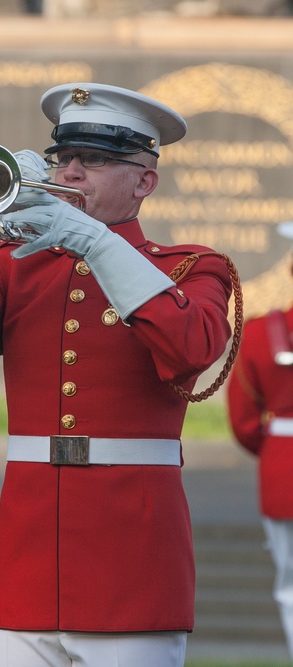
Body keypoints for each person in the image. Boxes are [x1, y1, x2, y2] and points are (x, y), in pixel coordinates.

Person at [0, 82, 234, 666]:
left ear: (145, 180)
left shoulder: (194, 270)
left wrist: (94, 240)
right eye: (60, 159)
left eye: (93, 160)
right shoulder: (18, 269)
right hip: (29, 558)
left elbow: (192, 345)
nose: (69, 173)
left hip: (131, 562)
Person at [225, 221, 293, 661]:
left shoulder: (263, 332)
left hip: (283, 469)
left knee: (291, 585)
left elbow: (245, 422)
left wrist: (273, 449)